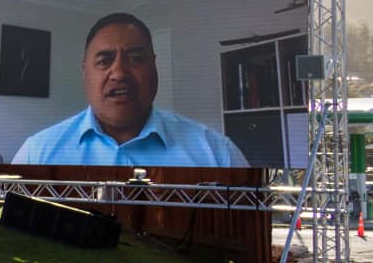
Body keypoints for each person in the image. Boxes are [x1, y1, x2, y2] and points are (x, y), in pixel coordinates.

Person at [13, 12, 246, 168]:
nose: (120, 73)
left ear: (154, 67)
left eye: (135, 59)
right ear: (85, 72)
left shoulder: (217, 154)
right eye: (104, 61)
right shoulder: (37, 154)